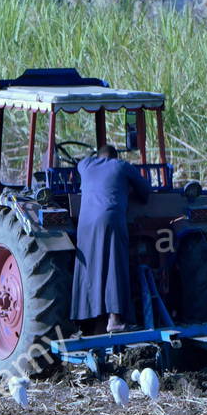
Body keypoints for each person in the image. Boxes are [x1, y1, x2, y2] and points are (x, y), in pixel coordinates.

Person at [71, 142, 151, 333]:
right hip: (110, 218)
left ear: (98, 156)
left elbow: (80, 166)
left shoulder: (86, 164)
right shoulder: (122, 166)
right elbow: (146, 192)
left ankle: (89, 321)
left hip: (86, 223)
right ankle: (115, 319)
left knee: (89, 267)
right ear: (115, 156)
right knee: (115, 266)